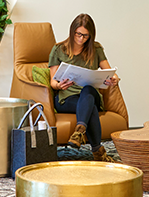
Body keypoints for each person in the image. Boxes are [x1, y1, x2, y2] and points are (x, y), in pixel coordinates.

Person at [49, 13, 120, 162]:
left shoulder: (96, 48)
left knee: (88, 91)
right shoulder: (58, 50)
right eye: (78, 34)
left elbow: (110, 72)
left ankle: (78, 133)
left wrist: (113, 79)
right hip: (67, 99)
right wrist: (59, 85)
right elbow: (52, 82)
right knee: (90, 107)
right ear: (72, 31)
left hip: (89, 94)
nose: (81, 39)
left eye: (85, 36)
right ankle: (97, 151)